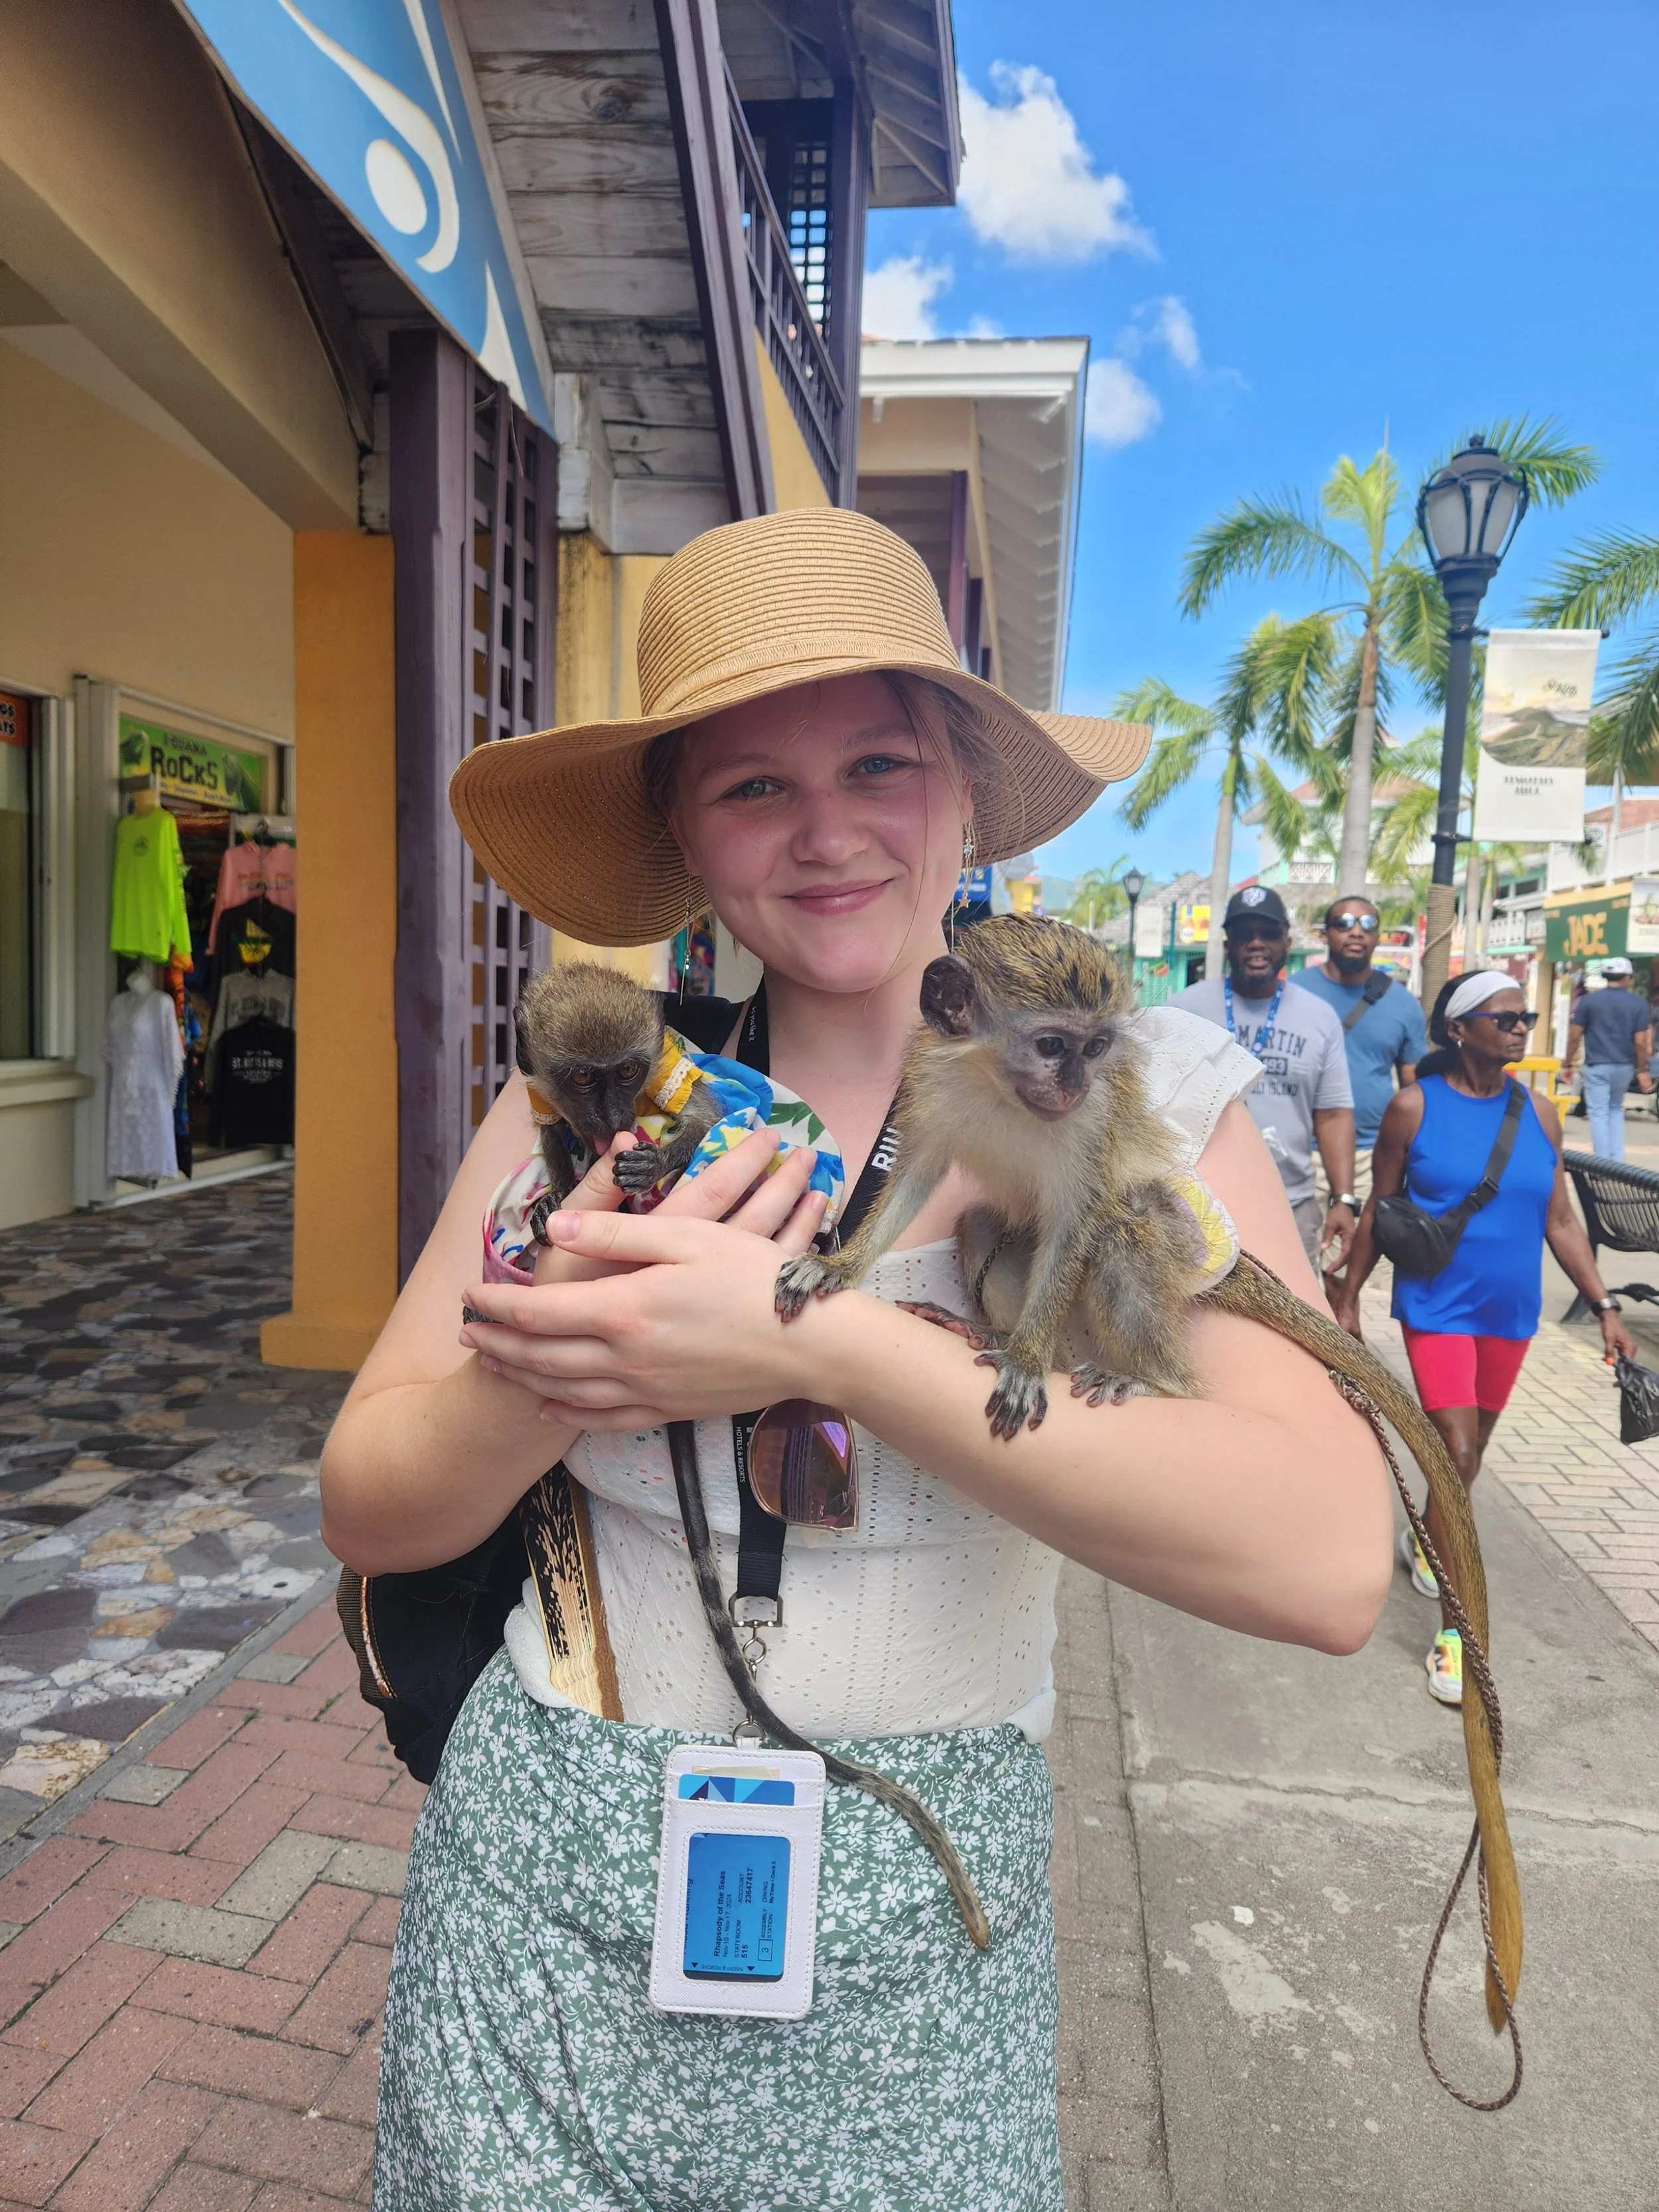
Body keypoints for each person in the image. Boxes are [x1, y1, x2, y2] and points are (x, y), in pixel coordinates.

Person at [321, 509, 1391, 2212]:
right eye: (752, 785)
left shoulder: (1136, 1108)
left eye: (878, 765)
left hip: (925, 1917)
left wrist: (812, 1343)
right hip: (535, 1912)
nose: (826, 835)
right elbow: (371, 1500)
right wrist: (567, 1358)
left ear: (963, 792)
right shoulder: (589, 1111)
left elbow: (1330, 1556)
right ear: (681, 827)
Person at [1333, 969, 1636, 1707]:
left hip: (1510, 1311)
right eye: (1504, 1017)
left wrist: (1603, 1304)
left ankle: (1426, 1536)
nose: (1519, 1027)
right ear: (1458, 1029)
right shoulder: (1414, 1107)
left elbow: (1559, 1220)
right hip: (1436, 1304)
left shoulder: (1539, 1111)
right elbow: (1382, 1206)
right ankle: (1454, 1634)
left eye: (1524, 1017)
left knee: (1467, 1460)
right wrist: (1348, 1299)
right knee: (1456, 1451)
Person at [1171, 885, 1358, 1272]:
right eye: (1244, 935)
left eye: (1269, 934)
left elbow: (1334, 1114)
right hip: (1199, 1202)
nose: (1256, 944)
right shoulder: (1184, 1010)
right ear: (1228, 944)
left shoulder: (1319, 1018)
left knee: (1296, 1320)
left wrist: (1343, 1197)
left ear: (1287, 943)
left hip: (1291, 1203)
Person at [1296, 897, 1425, 1203]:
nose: (1356, 932)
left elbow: (1415, 1088)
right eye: (1343, 924)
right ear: (1325, 934)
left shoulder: (1403, 1004)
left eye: (1367, 925)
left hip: (1373, 1156)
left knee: (1365, 1249)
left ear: (1378, 937)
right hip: (1300, 1152)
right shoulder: (1293, 992)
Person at [1561, 956, 1654, 1159]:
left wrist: (1567, 1064)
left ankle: (1603, 1162)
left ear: (1607, 977)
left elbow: (1575, 1035)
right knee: (1615, 1110)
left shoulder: (1588, 1001)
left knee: (1599, 1113)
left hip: (1597, 1066)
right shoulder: (1638, 1004)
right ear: (1627, 978)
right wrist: (1643, 1071)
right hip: (1624, 1067)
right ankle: (1617, 1161)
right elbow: (1640, 1042)